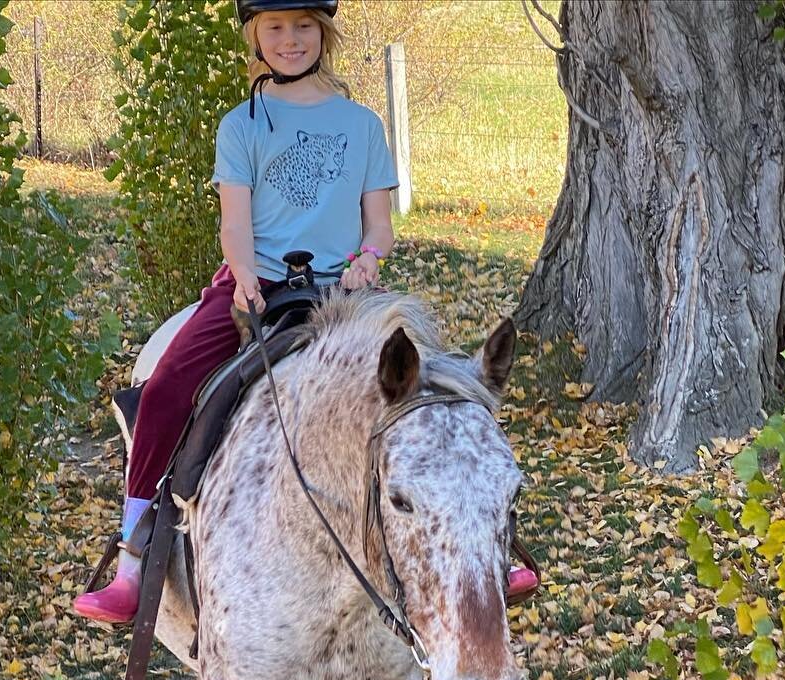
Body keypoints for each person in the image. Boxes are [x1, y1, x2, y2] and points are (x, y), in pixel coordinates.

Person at [74, 0, 538, 624]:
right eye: (275, 27)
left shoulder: (362, 126)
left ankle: (490, 552)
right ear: (255, 38)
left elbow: (379, 224)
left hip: (344, 292)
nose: (289, 40)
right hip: (256, 286)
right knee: (163, 390)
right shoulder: (242, 125)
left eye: (302, 26)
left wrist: (369, 257)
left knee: (436, 396)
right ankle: (134, 559)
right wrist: (241, 279)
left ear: (324, 34)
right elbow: (234, 224)